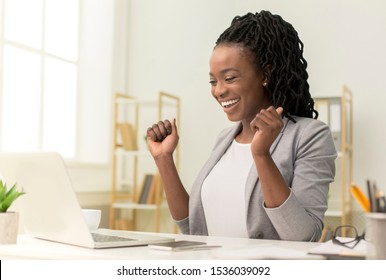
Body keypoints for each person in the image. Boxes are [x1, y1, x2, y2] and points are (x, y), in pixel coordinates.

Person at [146, 10, 336, 242]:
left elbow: (303, 236)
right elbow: (194, 229)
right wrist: (164, 159)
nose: (218, 91)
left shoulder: (309, 135)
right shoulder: (224, 139)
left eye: (230, 78)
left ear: (265, 74)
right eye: (213, 81)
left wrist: (261, 154)